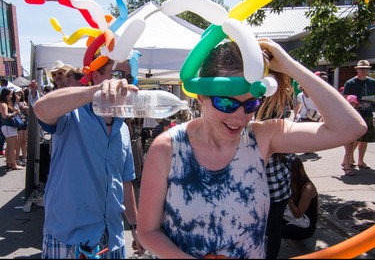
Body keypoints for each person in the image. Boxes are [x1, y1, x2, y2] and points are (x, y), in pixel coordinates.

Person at [137, 39, 367, 259]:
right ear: (201, 97)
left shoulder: (262, 138)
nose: (240, 117)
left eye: (250, 104)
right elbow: (147, 231)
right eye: (226, 103)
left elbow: (351, 128)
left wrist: (288, 65)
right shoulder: (167, 148)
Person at [33, 58, 145, 259]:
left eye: (128, 78)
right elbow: (41, 108)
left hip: (112, 239)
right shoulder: (71, 114)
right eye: (117, 75)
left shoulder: (123, 128)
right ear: (96, 76)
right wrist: (96, 91)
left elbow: (125, 181)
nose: (123, 83)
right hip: (69, 240)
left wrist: (135, 225)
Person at [343, 60, 375, 169]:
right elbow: (345, 99)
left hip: (368, 114)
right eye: (361, 68)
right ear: (357, 69)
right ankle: (349, 159)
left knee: (366, 139)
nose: (364, 70)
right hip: (355, 115)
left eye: (366, 68)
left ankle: (361, 161)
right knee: (355, 139)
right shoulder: (350, 83)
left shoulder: (372, 82)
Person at [265, 153, 294, 259]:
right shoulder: (280, 139)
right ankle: (271, 256)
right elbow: (291, 159)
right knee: (274, 228)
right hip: (281, 192)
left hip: (265, 193)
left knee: (267, 227)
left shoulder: (256, 141)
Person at [281, 156, 318, 240]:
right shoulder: (291, 183)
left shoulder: (308, 188)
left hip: (305, 226)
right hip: (292, 219)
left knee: (273, 231)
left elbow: (298, 214)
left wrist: (287, 197)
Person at [0, 88, 23, 170]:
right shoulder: (3, 104)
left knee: (9, 147)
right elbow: (5, 116)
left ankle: (9, 163)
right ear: (6, 95)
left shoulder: (4, 104)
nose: (11, 96)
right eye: (10, 94)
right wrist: (15, 113)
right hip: (8, 126)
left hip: (7, 127)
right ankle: (14, 164)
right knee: (12, 147)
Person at [341, 95, 360, 176]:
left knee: (350, 150)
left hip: (354, 133)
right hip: (345, 133)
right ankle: (347, 168)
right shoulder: (344, 112)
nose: (352, 105)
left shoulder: (357, 112)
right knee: (348, 150)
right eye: (350, 103)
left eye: (353, 103)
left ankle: (344, 162)